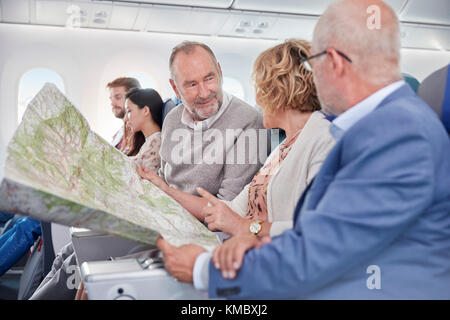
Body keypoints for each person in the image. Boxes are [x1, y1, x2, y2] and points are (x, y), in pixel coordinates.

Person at [156, 0, 450, 299]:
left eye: (315, 65)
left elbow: (320, 251)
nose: (311, 81)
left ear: (333, 62)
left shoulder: (397, 132)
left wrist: (203, 268)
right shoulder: (373, 127)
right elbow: (322, 232)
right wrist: (256, 237)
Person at [140, 39, 335, 239]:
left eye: (260, 88)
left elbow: (321, 228)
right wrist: (163, 189)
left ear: (277, 93)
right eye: (192, 84)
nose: (257, 100)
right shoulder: (282, 150)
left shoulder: (325, 139)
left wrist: (248, 228)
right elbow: (230, 210)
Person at [29, 82, 165, 300]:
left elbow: (133, 178)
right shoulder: (147, 143)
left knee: (67, 262)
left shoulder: (157, 143)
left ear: (146, 111)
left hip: (132, 214)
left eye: (130, 111)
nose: (127, 117)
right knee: (63, 254)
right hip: (122, 206)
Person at [143, 41, 265, 205]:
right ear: (175, 87)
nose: (204, 92)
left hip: (209, 227)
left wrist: (167, 193)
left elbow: (228, 208)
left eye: (209, 78)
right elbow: (164, 178)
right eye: (192, 84)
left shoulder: (248, 121)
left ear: (220, 73)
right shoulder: (172, 119)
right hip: (168, 212)